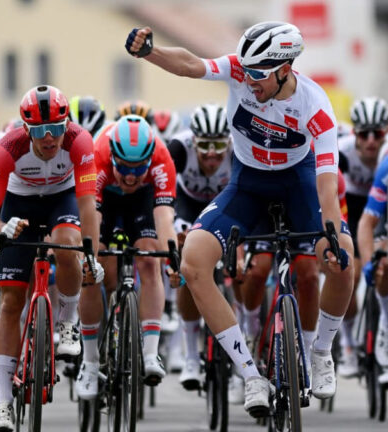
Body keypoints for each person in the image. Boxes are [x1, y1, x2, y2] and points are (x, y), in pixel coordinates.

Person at [125, 21, 353, 417]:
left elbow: (327, 185)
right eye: (244, 71)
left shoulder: (315, 105)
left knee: (343, 256)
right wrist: (151, 53)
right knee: (195, 263)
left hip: (298, 184)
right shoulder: (239, 71)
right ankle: (250, 374)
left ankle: (321, 352)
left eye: (258, 75)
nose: (248, 81)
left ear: (285, 69)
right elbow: (189, 65)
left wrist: (331, 238)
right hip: (247, 184)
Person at [0, 85, 102, 432]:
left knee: (66, 244)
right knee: (10, 302)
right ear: (26, 130)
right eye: (41, 131)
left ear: (67, 124)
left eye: (57, 128)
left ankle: (67, 321)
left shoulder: (80, 141)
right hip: (19, 205)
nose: (50, 138)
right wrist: (3, 227)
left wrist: (90, 253)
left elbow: (88, 204)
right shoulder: (7, 149)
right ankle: (3, 404)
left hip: (61, 199)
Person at [77, 114, 177, 400]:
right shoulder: (97, 155)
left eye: (138, 168)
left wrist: (172, 258)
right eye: (124, 168)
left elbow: (164, 219)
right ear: (113, 157)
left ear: (150, 159)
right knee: (93, 271)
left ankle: (149, 352)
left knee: (149, 259)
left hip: (141, 201)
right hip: (104, 202)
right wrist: (89, 258)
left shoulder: (161, 157)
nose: (131, 175)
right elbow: (91, 217)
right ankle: (91, 361)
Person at [165, 105, 233, 391]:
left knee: (239, 268)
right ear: (194, 141)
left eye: (219, 145)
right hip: (187, 204)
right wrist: (173, 228)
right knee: (187, 271)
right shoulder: (178, 149)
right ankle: (191, 354)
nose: (212, 154)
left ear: (229, 142)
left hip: (225, 204)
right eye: (205, 145)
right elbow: (163, 196)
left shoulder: (239, 150)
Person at [338, 96, 388, 376]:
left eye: (378, 134)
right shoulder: (342, 152)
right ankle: (347, 344)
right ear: (354, 133)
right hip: (352, 207)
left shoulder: (386, 159)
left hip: (382, 208)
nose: (371, 141)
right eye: (364, 133)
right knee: (351, 273)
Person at [357, 148, 388, 385]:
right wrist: (369, 263)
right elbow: (367, 223)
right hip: (383, 221)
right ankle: (385, 325)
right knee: (384, 261)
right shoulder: (385, 169)